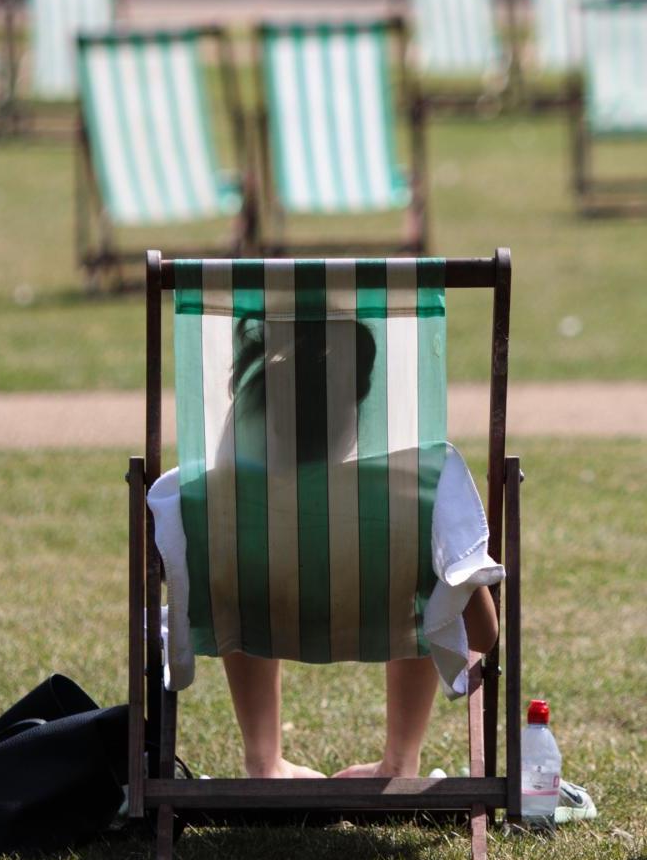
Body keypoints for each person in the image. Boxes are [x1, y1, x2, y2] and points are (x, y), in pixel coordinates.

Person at [154, 318, 501, 781]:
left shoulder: (206, 499)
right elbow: (483, 635)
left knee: (236, 564)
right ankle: (399, 763)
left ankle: (264, 762)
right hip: (382, 614)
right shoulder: (416, 495)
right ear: (357, 415)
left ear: (262, 421)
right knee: (432, 581)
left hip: (261, 608)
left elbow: (179, 593)